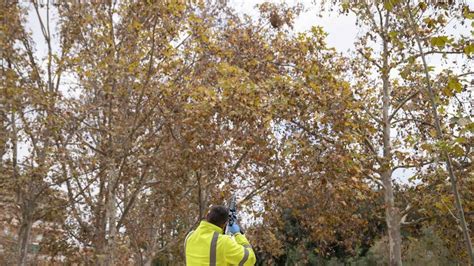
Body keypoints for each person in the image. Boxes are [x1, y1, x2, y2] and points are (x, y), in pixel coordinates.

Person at [184, 205, 256, 265]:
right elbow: (250, 259)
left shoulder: (189, 237)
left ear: (207, 216)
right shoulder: (223, 242)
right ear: (224, 224)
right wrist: (238, 234)